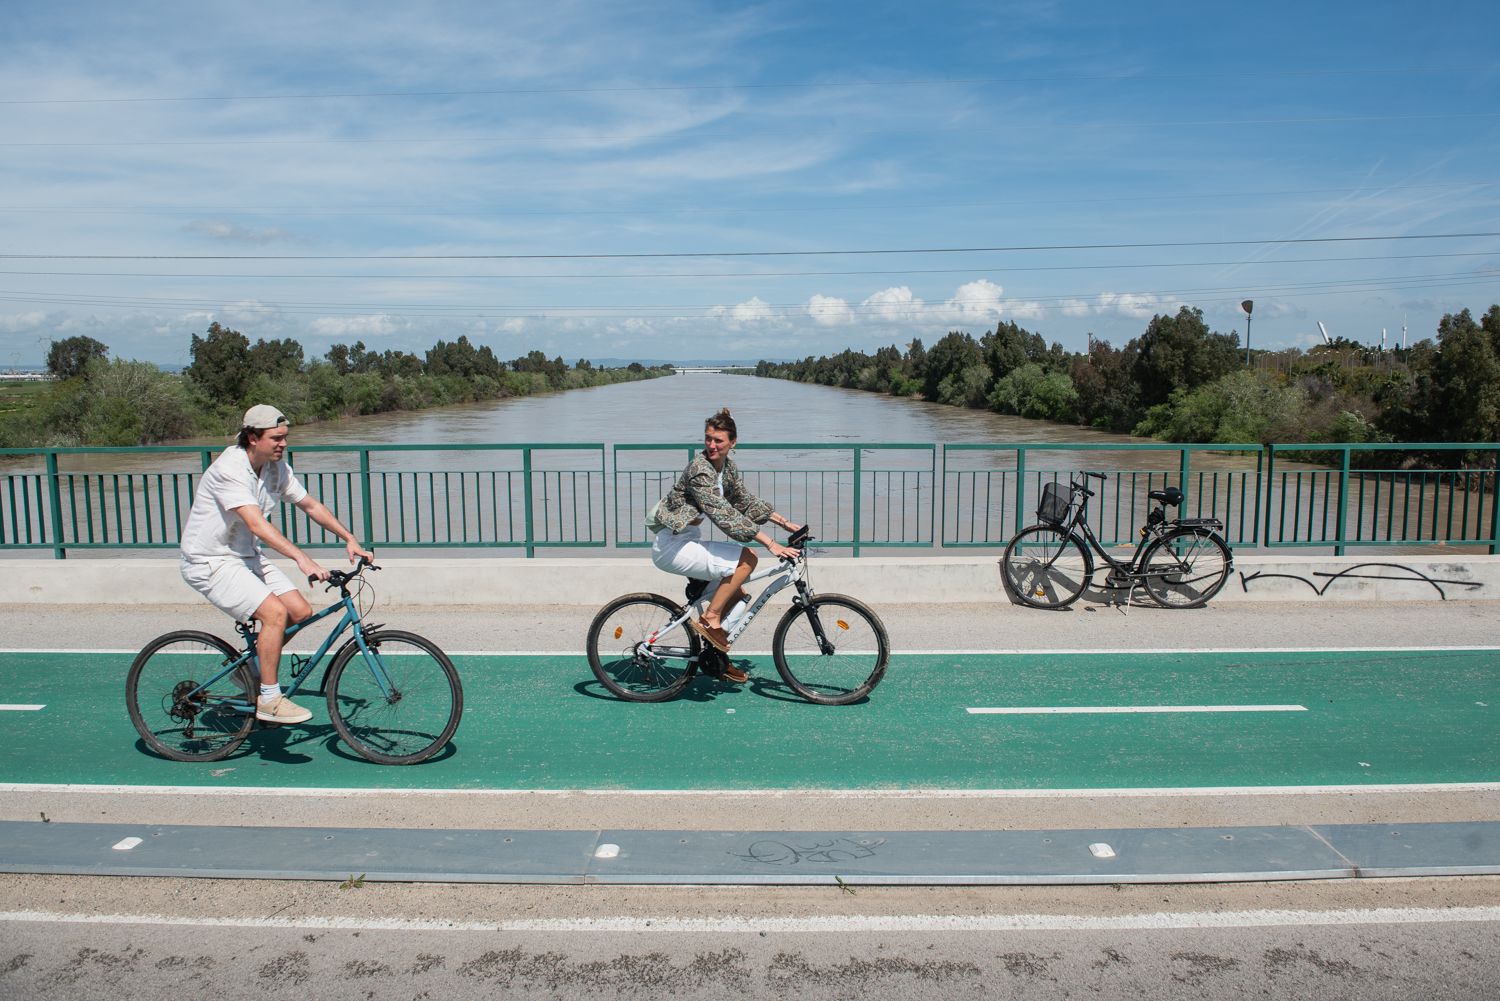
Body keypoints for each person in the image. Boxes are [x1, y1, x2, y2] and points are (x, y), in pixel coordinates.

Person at [178, 405, 374, 724]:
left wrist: (349, 538)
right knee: (275, 613)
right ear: (253, 438)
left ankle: (250, 671)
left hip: (246, 556)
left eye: (285, 438)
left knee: (299, 612)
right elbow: (256, 524)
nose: (283, 444)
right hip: (209, 561)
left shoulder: (274, 467)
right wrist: (302, 558)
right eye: (276, 438)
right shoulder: (231, 468)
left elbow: (309, 504)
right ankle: (269, 698)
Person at [648, 408, 801, 679]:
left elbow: (744, 501)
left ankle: (715, 655)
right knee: (748, 559)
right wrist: (770, 543)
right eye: (708, 439)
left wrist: (784, 522)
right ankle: (710, 619)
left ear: (733, 443)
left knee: (738, 594)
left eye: (718, 440)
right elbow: (724, 514)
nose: (711, 445)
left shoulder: (726, 468)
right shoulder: (700, 470)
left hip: (689, 541)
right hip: (672, 546)